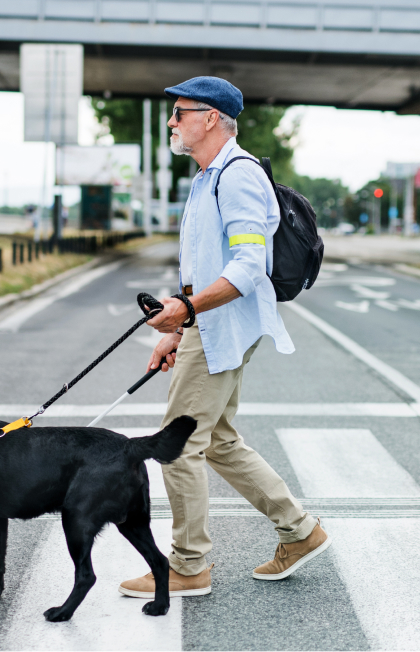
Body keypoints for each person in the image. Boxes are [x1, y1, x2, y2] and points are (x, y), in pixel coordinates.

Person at [119, 77, 331, 599]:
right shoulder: (208, 177)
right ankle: (299, 530)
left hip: (224, 323)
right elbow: (207, 265)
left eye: (180, 113)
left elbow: (248, 266)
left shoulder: (236, 177)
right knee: (216, 439)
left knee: (179, 445)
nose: (172, 122)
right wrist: (181, 323)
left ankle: (189, 565)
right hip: (211, 324)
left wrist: (187, 311)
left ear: (211, 118)